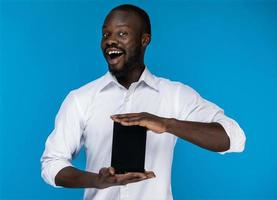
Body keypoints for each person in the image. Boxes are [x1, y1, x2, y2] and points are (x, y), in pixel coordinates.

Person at [41, 4, 246, 200]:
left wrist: (168, 124)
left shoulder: (174, 95)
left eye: (122, 33)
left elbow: (234, 138)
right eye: (106, 34)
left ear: (144, 39)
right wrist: (97, 180)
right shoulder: (80, 99)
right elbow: (52, 164)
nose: (110, 41)